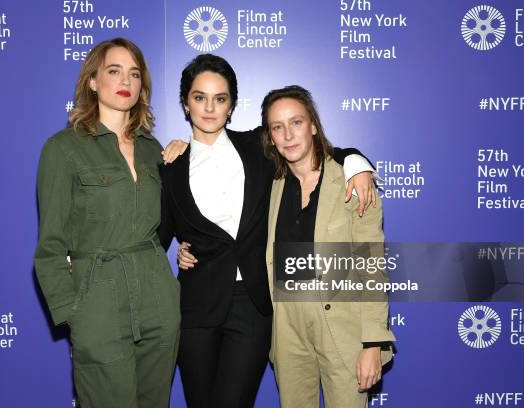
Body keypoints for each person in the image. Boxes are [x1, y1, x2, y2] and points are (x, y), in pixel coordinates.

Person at [160, 54, 378, 408]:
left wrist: (357, 162)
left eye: (220, 99)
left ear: (231, 106)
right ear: (186, 104)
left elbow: (313, 145)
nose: (210, 108)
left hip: (254, 306)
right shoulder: (170, 166)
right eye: (200, 97)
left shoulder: (258, 147)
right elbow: (158, 236)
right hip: (196, 308)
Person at [34, 37, 185, 408]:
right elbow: (50, 247)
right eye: (114, 71)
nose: (126, 81)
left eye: (135, 74)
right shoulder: (63, 149)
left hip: (157, 298)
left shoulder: (154, 149)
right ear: (92, 81)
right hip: (97, 298)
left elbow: (174, 218)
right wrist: (76, 313)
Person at [261, 85, 395, 407]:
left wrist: (372, 343)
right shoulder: (272, 184)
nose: (288, 135)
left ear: (313, 125)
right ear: (271, 136)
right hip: (288, 325)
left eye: (296, 122)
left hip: (342, 323)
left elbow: (370, 265)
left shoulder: (351, 180)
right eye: (278, 127)